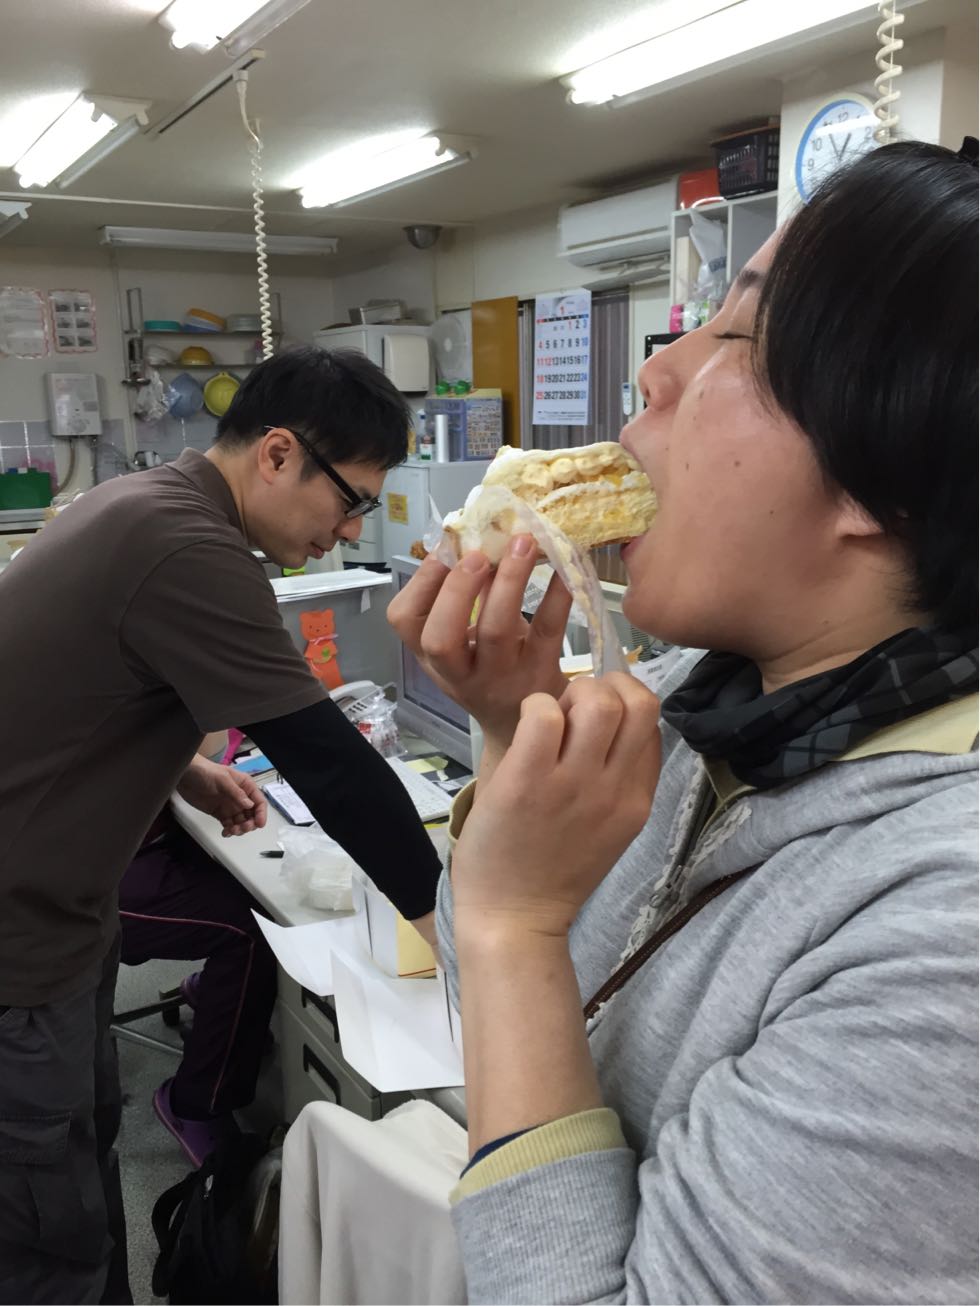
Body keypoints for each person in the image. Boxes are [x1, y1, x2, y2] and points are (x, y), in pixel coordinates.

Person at [389, 140, 979, 1303]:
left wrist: (513, 924)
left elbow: (505, 948)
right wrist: (512, 728)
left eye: (738, 337)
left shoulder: (943, 940)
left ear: (886, 477)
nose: (656, 372)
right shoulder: (678, 702)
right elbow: (491, 996)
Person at [0, 346, 442, 1305]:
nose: (349, 531)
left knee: (79, 1166)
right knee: (47, 1235)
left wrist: (182, 770)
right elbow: (332, 766)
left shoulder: (144, 504)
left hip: (63, 921)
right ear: (278, 454)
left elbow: (67, 698)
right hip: (20, 944)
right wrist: (458, 933)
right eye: (352, 501)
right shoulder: (187, 547)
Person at [118, 732, 278, 1167]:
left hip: (135, 830)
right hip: (70, 874)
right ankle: (196, 1103)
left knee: (248, 875)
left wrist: (189, 765)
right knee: (250, 932)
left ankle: (220, 995)